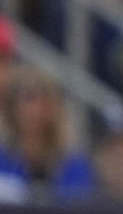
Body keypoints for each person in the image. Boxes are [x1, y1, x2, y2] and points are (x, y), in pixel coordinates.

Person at [0, 66, 96, 204]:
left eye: (43, 101)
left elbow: (82, 208)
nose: (34, 110)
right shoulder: (2, 160)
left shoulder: (74, 164)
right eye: (27, 99)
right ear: (11, 107)